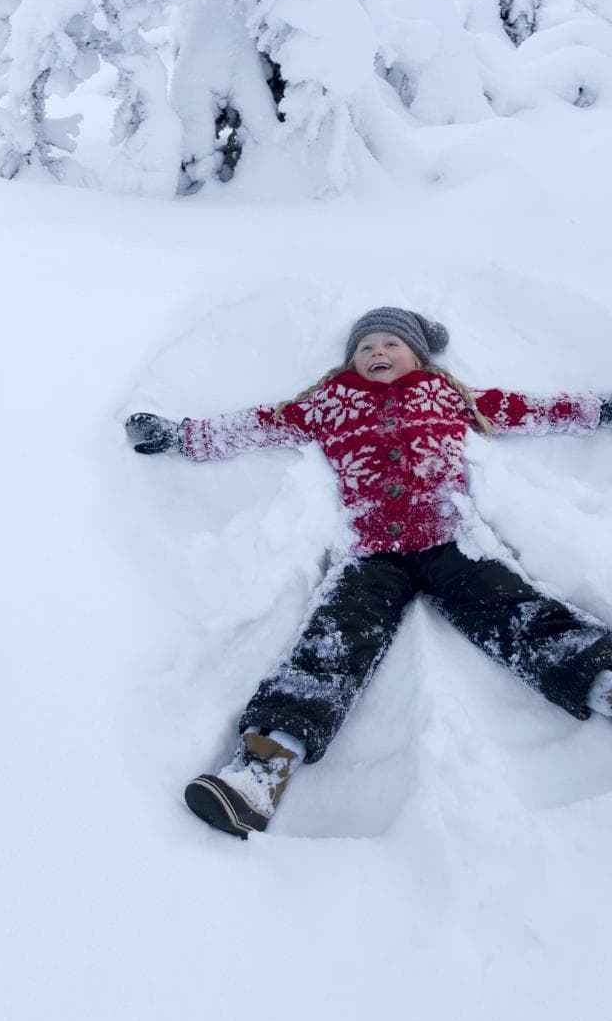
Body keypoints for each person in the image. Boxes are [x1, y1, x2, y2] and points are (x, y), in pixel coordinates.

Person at [126, 305, 612, 839]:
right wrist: (182, 436)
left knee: (515, 609)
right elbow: (259, 423)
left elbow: (525, 409)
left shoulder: (447, 395)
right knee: (334, 640)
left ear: (418, 356)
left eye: (390, 344)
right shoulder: (329, 402)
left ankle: (601, 680)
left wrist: (598, 409)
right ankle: (261, 770)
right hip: (372, 556)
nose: (377, 353)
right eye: (366, 347)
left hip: (451, 542)